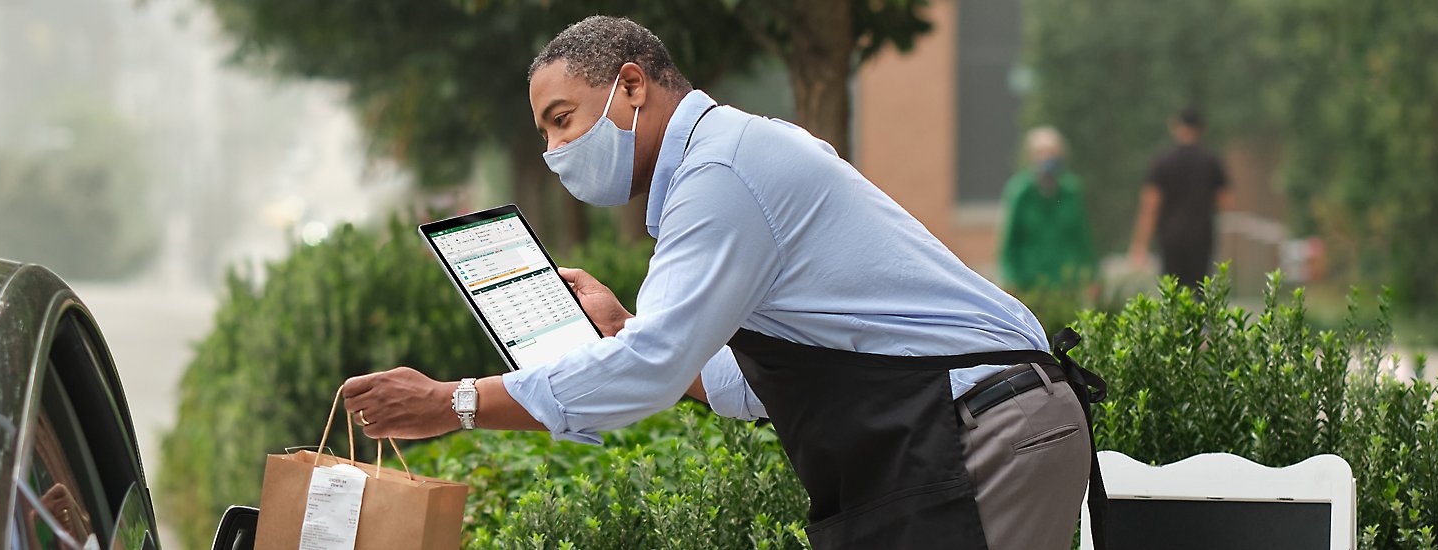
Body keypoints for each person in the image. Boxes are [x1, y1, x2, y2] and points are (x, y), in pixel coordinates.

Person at [338, 16, 1106, 550]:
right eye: (544, 132)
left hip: (983, 432)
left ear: (632, 86)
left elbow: (650, 372)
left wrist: (454, 403)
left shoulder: (719, 173)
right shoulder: (725, 158)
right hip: (967, 425)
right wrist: (626, 332)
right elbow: (740, 381)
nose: (554, 149)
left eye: (563, 118)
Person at [1128, 108, 1229, 287]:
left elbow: (1150, 205)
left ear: (1176, 127)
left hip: (1170, 237)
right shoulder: (1211, 161)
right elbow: (1225, 201)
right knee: (1200, 290)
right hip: (1201, 236)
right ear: (1201, 128)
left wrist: (1140, 244)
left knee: (1172, 292)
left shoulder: (1162, 161)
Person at [1000, 127, 1096, 292]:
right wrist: (1009, 279)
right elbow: (1009, 242)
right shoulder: (1019, 192)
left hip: (1066, 282)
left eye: (1051, 152)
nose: (1046, 158)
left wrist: (1092, 276)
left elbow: (1082, 238)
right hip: (1029, 282)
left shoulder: (1071, 190)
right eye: (1040, 152)